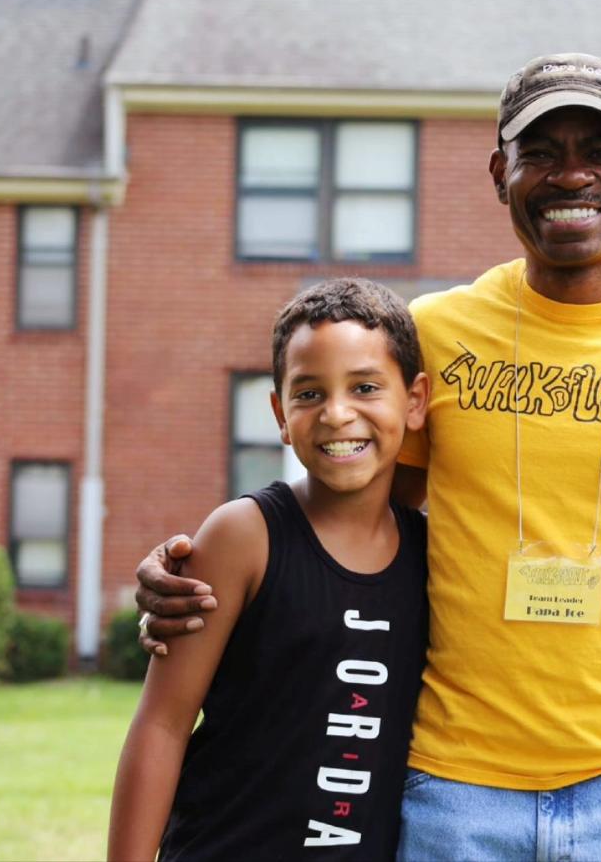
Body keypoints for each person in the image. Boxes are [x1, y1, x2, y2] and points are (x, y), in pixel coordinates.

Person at [135, 53, 601, 861]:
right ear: (500, 172)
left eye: (599, 151)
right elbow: (347, 519)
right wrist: (207, 566)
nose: (570, 175)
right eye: (540, 152)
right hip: (452, 796)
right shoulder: (432, 335)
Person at [109, 278, 430, 860]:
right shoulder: (245, 535)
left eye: (364, 387)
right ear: (281, 414)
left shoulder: (431, 555)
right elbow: (162, 725)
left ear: (414, 402)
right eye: (309, 394)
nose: (336, 414)